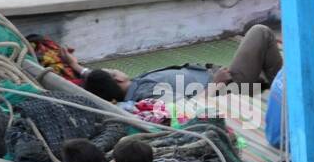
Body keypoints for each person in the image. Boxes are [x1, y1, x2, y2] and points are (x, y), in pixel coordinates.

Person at [83, 18, 283, 106]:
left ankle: (271, 80)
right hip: (229, 87)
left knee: (266, 58)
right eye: (112, 70)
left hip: (223, 79)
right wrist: (217, 83)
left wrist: (77, 68)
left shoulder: (133, 87)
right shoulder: (146, 94)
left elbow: (94, 81)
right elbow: (187, 107)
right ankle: (287, 94)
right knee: (260, 32)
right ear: (117, 78)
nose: (116, 69)